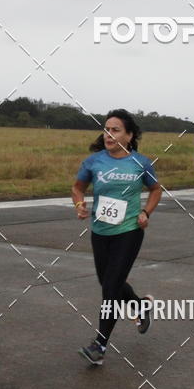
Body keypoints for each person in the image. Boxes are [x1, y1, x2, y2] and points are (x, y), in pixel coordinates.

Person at [71, 109, 162, 366]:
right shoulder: (94, 162)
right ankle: (141, 307)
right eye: (106, 129)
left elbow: (156, 190)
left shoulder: (141, 163)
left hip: (129, 232)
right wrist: (79, 204)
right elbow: (78, 188)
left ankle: (99, 345)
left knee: (110, 288)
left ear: (130, 135)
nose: (109, 134)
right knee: (109, 283)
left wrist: (146, 212)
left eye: (116, 129)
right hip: (100, 232)